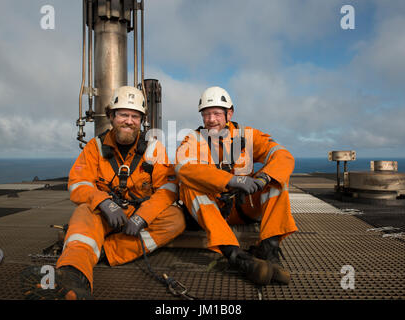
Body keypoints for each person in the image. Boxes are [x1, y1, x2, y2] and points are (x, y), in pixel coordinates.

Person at [21, 86, 185, 299]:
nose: (129, 121)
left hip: (137, 214)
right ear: (111, 116)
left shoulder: (154, 149)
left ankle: (101, 252)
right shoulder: (95, 148)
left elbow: (167, 189)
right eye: (123, 114)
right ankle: (71, 277)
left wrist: (143, 216)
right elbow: (78, 184)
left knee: (176, 220)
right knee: (83, 213)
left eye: (135, 116)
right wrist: (103, 202)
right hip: (105, 213)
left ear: (142, 120)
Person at [175, 86, 297, 286]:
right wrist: (231, 180)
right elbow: (183, 166)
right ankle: (237, 257)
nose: (211, 119)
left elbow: (282, 155)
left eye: (216, 113)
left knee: (277, 181)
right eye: (206, 114)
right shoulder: (193, 140)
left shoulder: (247, 137)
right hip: (213, 211)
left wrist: (264, 178)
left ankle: (269, 252)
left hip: (244, 207)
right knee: (188, 186)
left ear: (229, 113)